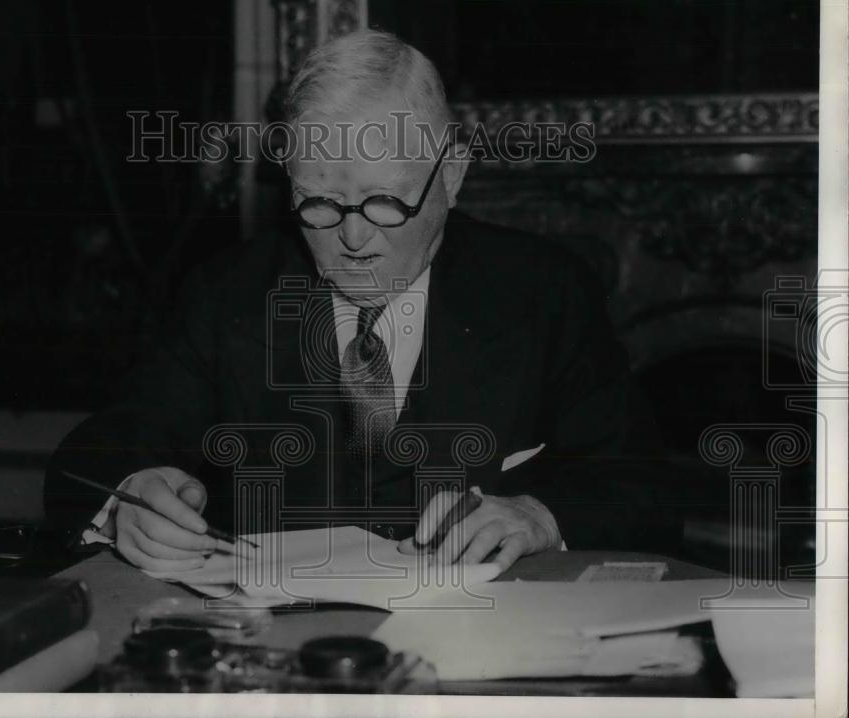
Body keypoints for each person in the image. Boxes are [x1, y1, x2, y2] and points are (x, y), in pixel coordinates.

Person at [44, 29, 680, 575]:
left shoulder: (545, 292)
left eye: (386, 201)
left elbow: (645, 485)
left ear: (451, 177)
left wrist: (538, 514)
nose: (352, 238)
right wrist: (129, 498)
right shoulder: (226, 294)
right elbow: (96, 454)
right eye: (318, 202)